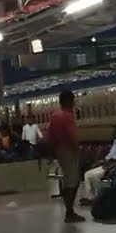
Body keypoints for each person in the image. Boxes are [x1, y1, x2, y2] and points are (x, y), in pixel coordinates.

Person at [46, 90, 84, 223]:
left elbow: (50, 136)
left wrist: (51, 152)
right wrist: (78, 150)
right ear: (69, 101)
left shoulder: (55, 115)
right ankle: (69, 212)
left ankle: (69, 211)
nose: (74, 103)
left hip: (59, 151)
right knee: (72, 181)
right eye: (73, 100)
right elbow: (72, 135)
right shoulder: (67, 115)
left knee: (69, 179)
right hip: (69, 150)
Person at [81, 123, 116, 204]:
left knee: (94, 176)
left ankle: (99, 197)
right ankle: (91, 197)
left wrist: (113, 164)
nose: (113, 133)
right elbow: (110, 155)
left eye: (114, 131)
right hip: (106, 164)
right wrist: (101, 161)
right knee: (87, 174)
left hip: (113, 165)